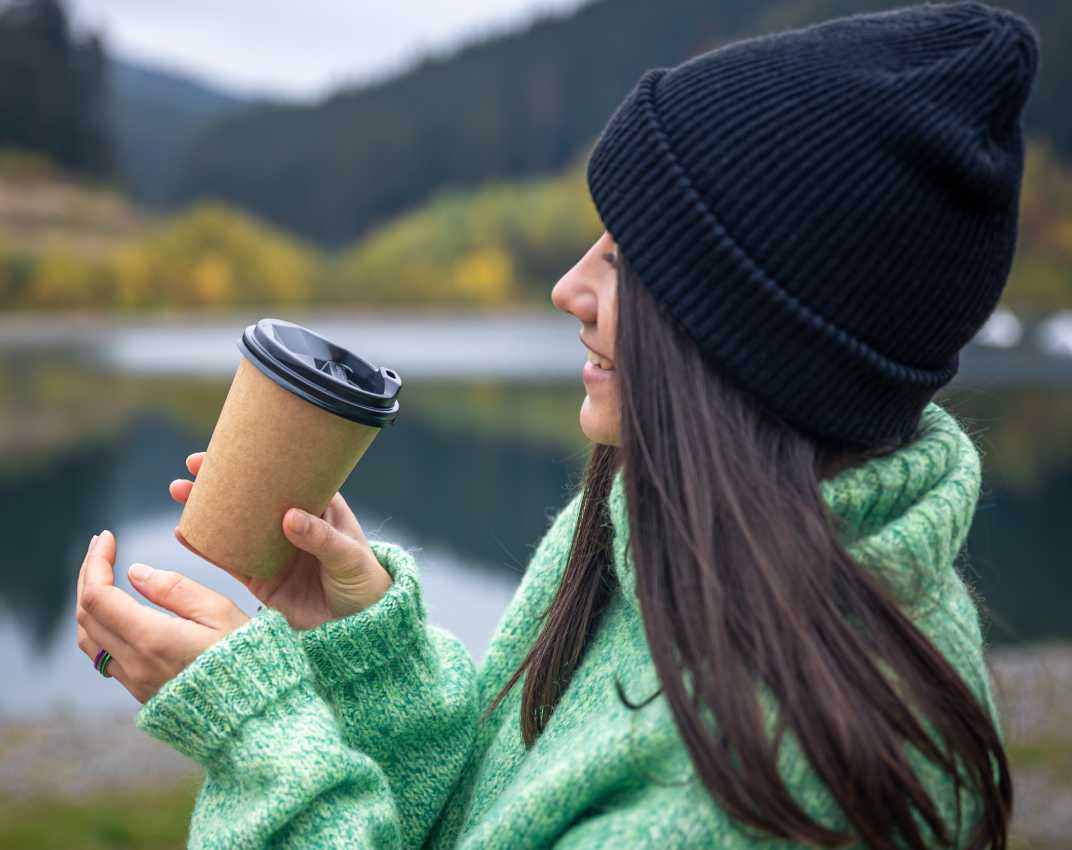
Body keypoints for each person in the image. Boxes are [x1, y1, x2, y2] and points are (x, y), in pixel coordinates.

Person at [73, 2, 1037, 847]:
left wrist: (260, 741)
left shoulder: (784, 782)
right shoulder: (644, 526)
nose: (567, 287)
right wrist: (370, 656)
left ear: (758, 334)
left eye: (627, 261)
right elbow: (496, 815)